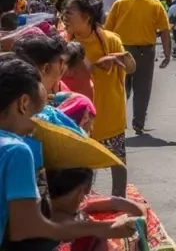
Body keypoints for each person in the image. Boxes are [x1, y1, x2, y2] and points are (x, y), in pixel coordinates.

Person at [0, 58, 137, 248]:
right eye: (36, 114)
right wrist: (98, 229)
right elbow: (26, 227)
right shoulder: (16, 150)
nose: (37, 125)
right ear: (23, 104)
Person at [63, 0, 135, 197]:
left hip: (109, 111)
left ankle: (118, 201)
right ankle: (82, 204)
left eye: (69, 12)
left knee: (117, 162)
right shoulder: (64, 43)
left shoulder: (111, 40)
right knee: (82, 169)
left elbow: (130, 69)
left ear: (87, 17)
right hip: (78, 116)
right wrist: (94, 66)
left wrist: (125, 57)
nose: (64, 16)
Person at [104, 0, 171, 136]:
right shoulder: (119, 4)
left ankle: (138, 123)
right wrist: (106, 52)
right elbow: (107, 31)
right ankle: (117, 122)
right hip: (122, 51)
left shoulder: (155, 5)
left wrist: (167, 54)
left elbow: (164, 31)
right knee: (121, 89)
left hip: (145, 52)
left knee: (142, 89)